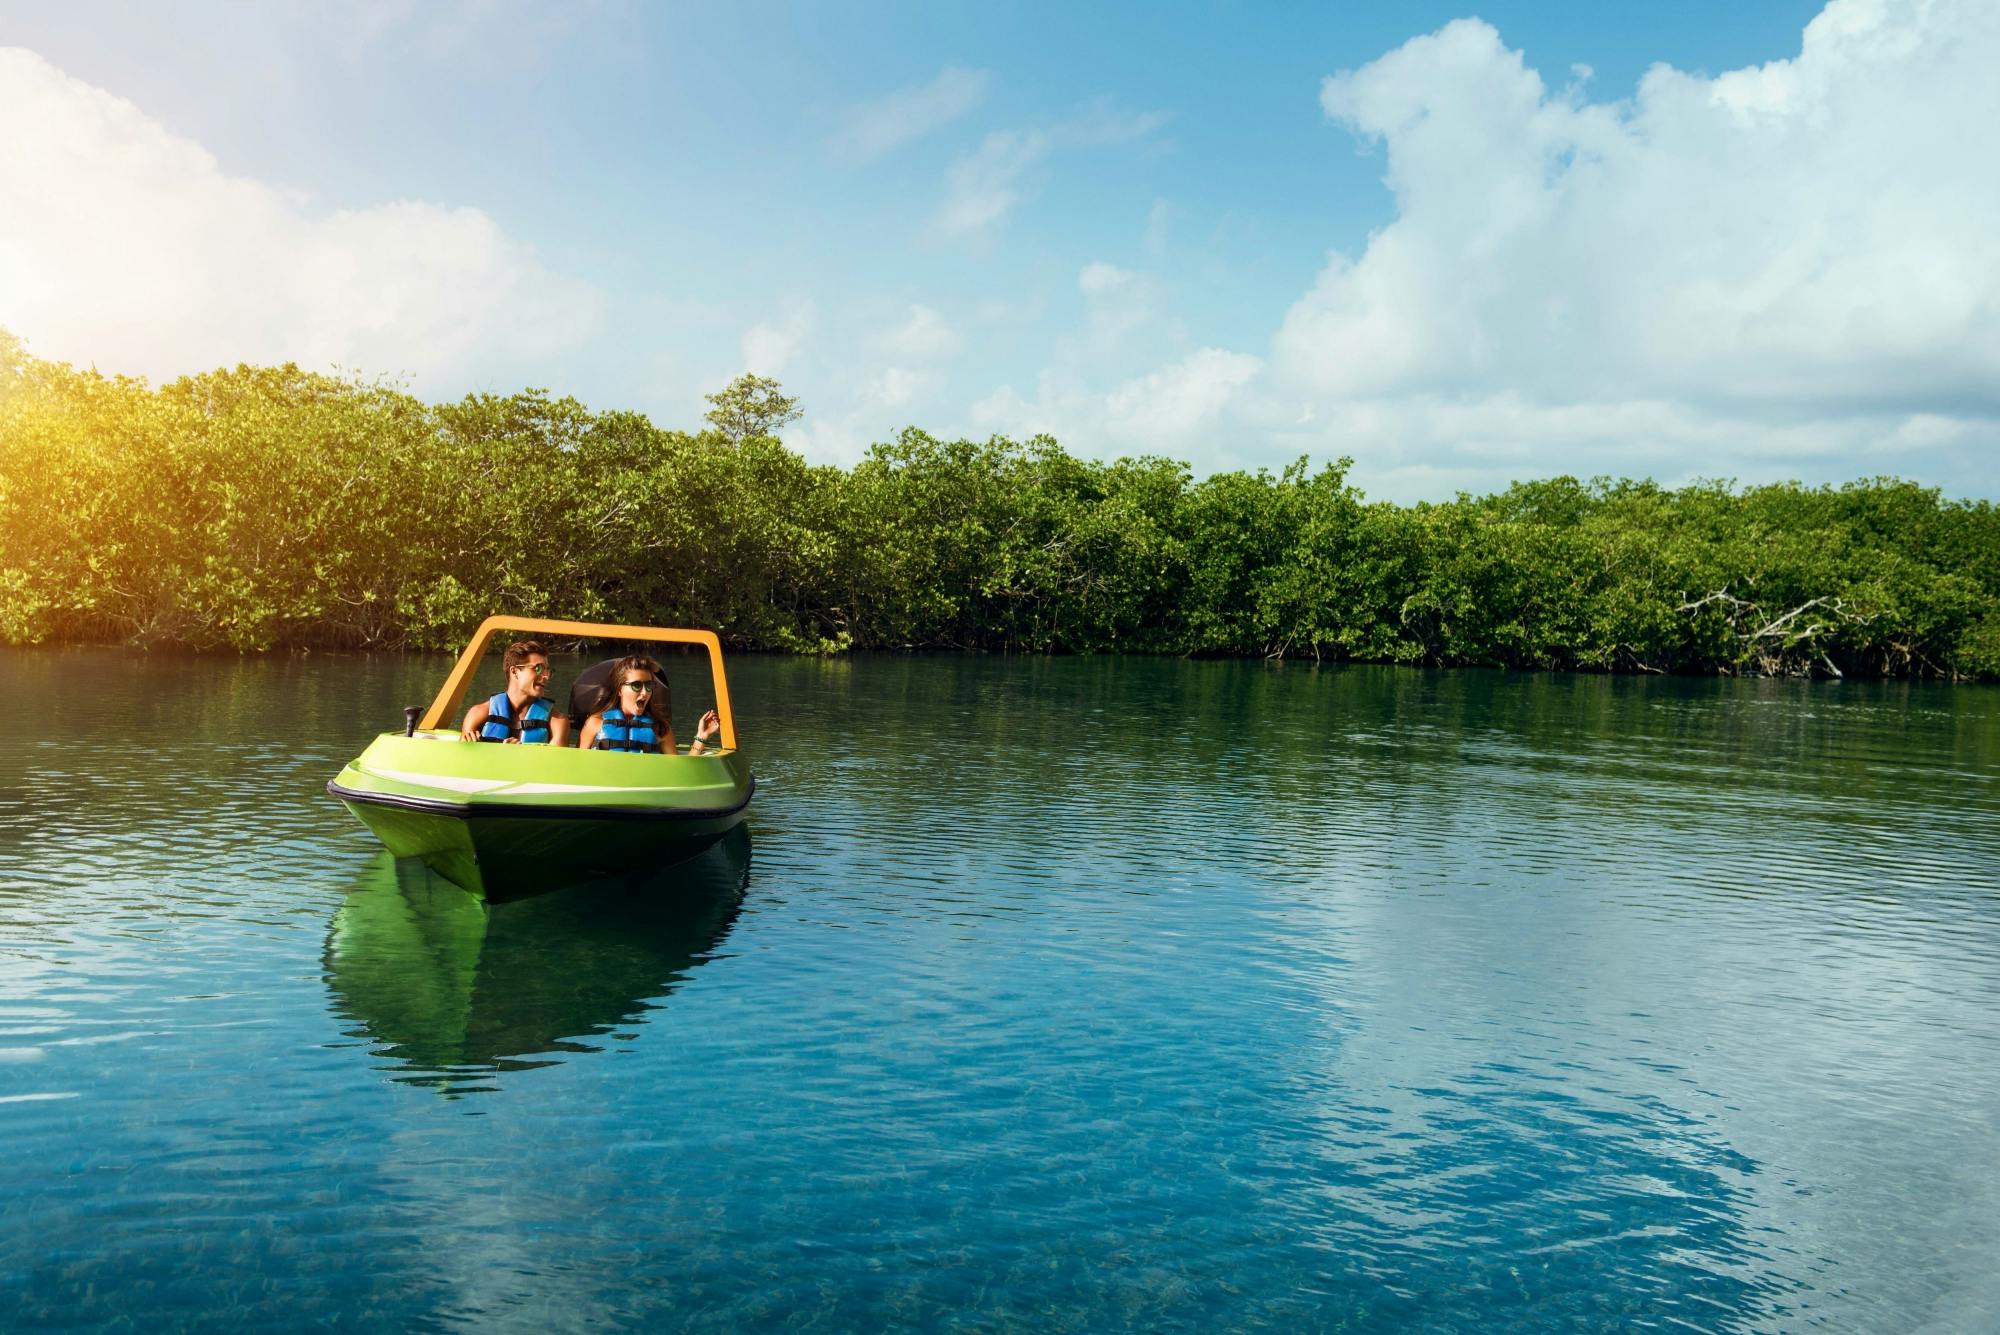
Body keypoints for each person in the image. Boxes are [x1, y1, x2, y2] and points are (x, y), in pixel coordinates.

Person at [574, 654, 720, 755]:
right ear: (619, 689)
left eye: (649, 686)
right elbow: (576, 764)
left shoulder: (661, 729)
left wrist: (701, 736)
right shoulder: (594, 723)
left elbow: (682, 770)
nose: (645, 693)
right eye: (637, 686)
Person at [459, 639, 570, 745]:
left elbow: (555, 764)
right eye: (538, 669)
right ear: (514, 671)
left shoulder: (558, 723)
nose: (546, 676)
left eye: (548, 670)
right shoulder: (477, 714)